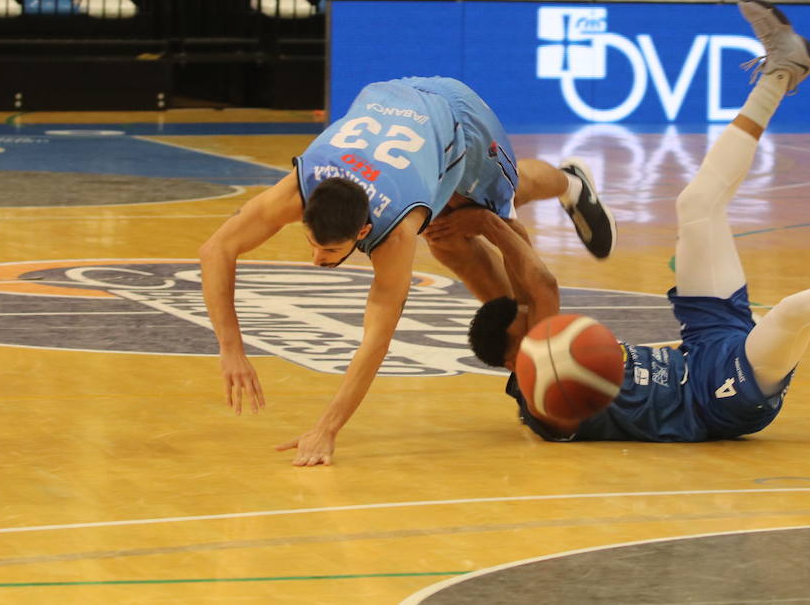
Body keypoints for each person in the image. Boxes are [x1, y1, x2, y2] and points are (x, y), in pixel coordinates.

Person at [454, 0, 810, 442]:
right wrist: (490, 220)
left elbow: (535, 288)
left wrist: (492, 223)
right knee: (793, 314)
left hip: (703, 346)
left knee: (697, 203)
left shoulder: (541, 348)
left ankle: (782, 70)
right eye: (529, 320)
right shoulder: (543, 402)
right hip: (716, 400)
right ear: (511, 352)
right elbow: (541, 291)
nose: (542, 319)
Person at [197, 76, 618, 465]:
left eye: (330, 249)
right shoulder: (296, 189)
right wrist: (231, 349)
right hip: (395, 107)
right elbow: (216, 249)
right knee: (446, 241)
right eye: (313, 242)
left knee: (497, 212)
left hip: (456, 121)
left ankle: (569, 183)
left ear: (365, 230)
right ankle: (525, 343)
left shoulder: (396, 231)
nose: (317, 259)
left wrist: (327, 429)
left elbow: (375, 341)